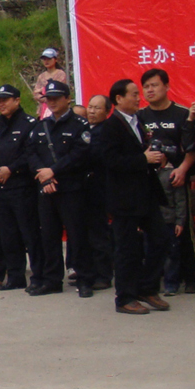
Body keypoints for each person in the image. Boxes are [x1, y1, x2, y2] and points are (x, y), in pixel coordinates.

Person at [90, 79, 172, 315]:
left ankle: (147, 287)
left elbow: (143, 152)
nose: (139, 98)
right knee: (127, 249)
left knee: (161, 239)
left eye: (138, 94)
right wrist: (142, 160)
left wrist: (156, 159)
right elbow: (110, 161)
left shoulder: (140, 121)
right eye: (134, 94)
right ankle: (124, 297)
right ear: (118, 99)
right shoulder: (110, 127)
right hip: (124, 198)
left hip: (146, 194)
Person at [28, 80, 95, 297]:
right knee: (48, 235)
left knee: (77, 235)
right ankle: (52, 279)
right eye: (49, 98)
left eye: (57, 97)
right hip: (46, 188)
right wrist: (45, 177)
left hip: (72, 188)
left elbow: (79, 155)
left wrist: (53, 171)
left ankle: (85, 279)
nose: (53, 102)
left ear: (68, 99)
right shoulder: (41, 126)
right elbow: (31, 154)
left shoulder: (79, 125)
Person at [137, 68, 195, 294]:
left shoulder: (182, 114)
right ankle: (159, 279)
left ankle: (192, 277)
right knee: (151, 231)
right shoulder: (140, 116)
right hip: (150, 181)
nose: (149, 90)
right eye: (146, 87)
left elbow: (193, 148)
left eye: (154, 85)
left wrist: (182, 169)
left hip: (176, 179)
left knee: (181, 230)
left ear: (166, 86)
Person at [0, 84, 40, 291]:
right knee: (8, 236)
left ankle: (38, 276)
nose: (1, 104)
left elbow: (31, 154)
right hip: (0, 190)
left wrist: (12, 169)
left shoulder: (29, 124)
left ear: (17, 101)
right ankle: (15, 277)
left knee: (29, 234)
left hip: (22, 187)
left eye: (5, 100)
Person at [80, 94, 114, 289]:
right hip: (82, 189)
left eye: (97, 108)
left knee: (99, 233)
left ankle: (103, 275)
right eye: (90, 107)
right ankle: (88, 271)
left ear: (107, 111)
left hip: (99, 188)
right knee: (84, 233)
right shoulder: (83, 129)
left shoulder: (107, 131)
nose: (91, 111)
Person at [32, 48, 69, 117]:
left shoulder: (60, 74)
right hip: (43, 107)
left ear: (55, 60)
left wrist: (42, 90)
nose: (46, 61)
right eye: (44, 59)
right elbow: (35, 93)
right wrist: (45, 99)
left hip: (57, 105)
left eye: (49, 59)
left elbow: (58, 89)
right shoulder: (41, 76)